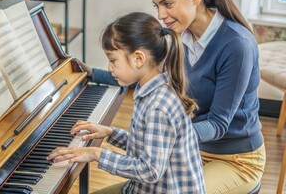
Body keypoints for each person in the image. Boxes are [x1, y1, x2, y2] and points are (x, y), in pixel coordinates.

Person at [76, 0, 266, 193]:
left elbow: (218, 124)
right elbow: (142, 70)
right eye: (157, 6)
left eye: (168, 4)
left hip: (234, 160)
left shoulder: (237, 44)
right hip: (190, 150)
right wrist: (91, 73)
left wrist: (164, 136)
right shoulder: (178, 37)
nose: (161, 15)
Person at [47, 12, 205, 193]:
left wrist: (95, 154)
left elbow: (150, 171)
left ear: (138, 59)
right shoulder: (151, 89)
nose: (109, 67)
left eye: (113, 60)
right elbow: (145, 145)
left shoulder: (158, 107)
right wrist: (110, 132)